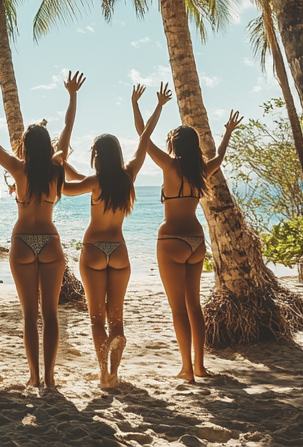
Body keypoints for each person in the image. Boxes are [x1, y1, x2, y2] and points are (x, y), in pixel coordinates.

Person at [0, 73, 81, 389]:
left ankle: (33, 376)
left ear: (26, 146)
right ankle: (50, 377)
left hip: (23, 242)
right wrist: (72, 96)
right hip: (50, 240)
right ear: (48, 146)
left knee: (31, 315)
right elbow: (68, 130)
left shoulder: (19, 168)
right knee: (51, 314)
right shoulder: (57, 165)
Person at [132, 82, 242, 381]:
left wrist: (139, 104)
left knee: (178, 308)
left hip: (170, 239)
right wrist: (227, 133)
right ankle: (201, 366)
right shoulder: (201, 170)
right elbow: (219, 158)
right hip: (196, 240)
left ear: (174, 145)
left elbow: (143, 136)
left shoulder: (168, 165)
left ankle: (186, 370)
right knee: (195, 305)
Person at [62, 91, 165, 387]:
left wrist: (57, 165)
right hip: (118, 250)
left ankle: (103, 374)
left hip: (94, 249)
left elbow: (68, 188)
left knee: (96, 318)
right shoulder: (128, 175)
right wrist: (153, 106)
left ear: (97, 156)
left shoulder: (94, 183)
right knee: (115, 318)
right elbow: (145, 139)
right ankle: (116, 370)